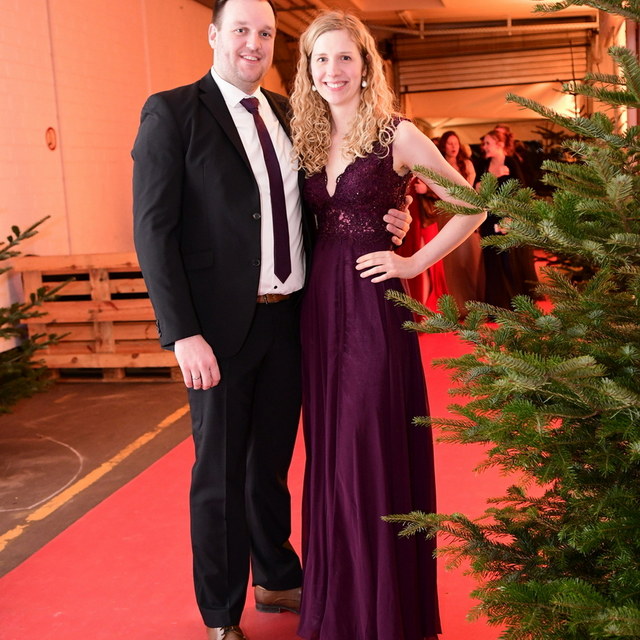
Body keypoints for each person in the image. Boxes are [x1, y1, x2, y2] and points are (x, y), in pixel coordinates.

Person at [131, 1, 410, 638]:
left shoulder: (291, 113)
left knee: (273, 467)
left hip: (291, 322)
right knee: (220, 475)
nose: (253, 43)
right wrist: (182, 333)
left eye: (264, 32)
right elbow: (153, 231)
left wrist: (394, 218)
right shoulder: (173, 113)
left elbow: (331, 198)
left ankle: (277, 575)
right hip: (217, 331)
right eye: (241, 30)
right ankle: (220, 613)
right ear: (214, 35)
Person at [289, 11, 486, 640]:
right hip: (320, 310)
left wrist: (413, 261)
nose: (333, 71)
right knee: (330, 451)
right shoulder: (307, 138)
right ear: (308, 70)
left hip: (374, 305)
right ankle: (343, 603)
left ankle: (384, 611)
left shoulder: (397, 134)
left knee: (368, 440)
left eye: (345, 58)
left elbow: (473, 205)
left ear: (366, 66)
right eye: (321, 59)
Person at [475, 128, 538, 308]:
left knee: (508, 262)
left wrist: (511, 218)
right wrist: (495, 176)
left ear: (500, 144)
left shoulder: (511, 163)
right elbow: (477, 187)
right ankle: (496, 304)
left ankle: (514, 304)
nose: (484, 146)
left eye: (488, 143)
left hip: (507, 218)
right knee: (492, 262)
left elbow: (521, 193)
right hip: (488, 218)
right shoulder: (483, 164)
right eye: (484, 143)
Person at [435, 130, 485, 313]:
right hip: (447, 213)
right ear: (443, 146)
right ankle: (459, 305)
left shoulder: (467, 164)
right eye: (449, 143)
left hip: (466, 211)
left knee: (471, 255)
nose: (453, 146)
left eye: (456, 143)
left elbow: (469, 189)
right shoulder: (438, 164)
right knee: (452, 259)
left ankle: (476, 301)